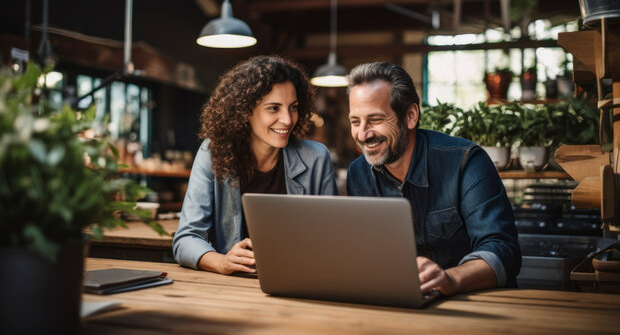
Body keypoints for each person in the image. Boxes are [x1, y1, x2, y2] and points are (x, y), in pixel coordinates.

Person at [346, 62, 521, 296]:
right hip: (403, 305)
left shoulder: (466, 161)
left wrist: (450, 279)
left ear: (410, 116)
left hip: (478, 304)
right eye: (355, 122)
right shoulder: (358, 173)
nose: (362, 133)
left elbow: (502, 252)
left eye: (375, 119)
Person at [173, 56, 338, 275]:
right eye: (274, 108)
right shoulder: (213, 153)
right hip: (232, 288)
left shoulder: (316, 158)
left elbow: (331, 240)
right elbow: (186, 239)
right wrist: (221, 262)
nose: (288, 120)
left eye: (293, 107)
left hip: (299, 280)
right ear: (245, 111)